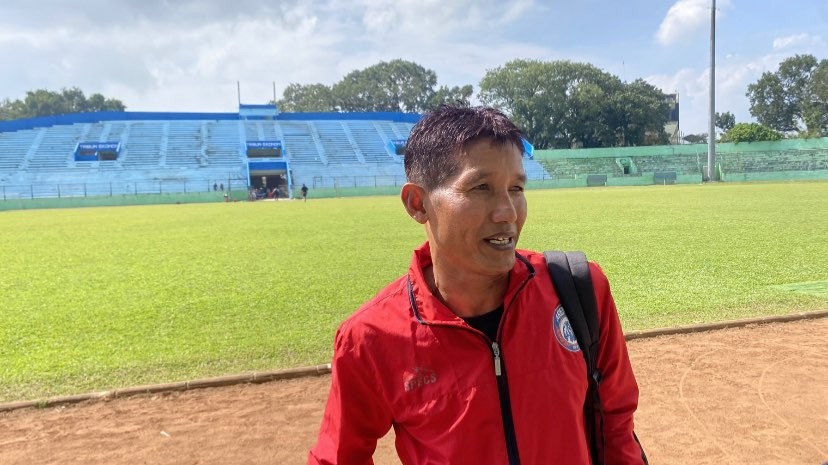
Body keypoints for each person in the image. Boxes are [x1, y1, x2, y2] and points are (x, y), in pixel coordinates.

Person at [308, 105, 646, 465]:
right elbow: (338, 457)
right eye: (481, 187)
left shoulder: (580, 289)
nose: (508, 212)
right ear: (417, 203)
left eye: (516, 187)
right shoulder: (371, 339)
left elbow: (616, 425)